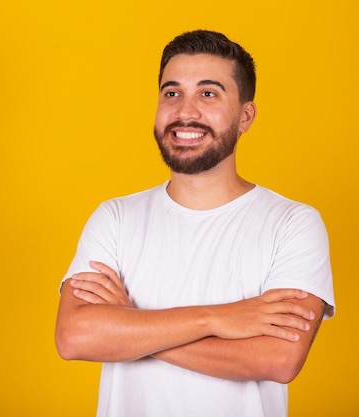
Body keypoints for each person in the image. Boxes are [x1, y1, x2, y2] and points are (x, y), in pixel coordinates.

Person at [54, 30, 335, 417]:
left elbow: (279, 359)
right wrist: (218, 318)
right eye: (172, 93)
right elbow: (75, 337)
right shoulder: (115, 217)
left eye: (208, 94)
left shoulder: (293, 223)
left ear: (245, 116)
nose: (185, 112)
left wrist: (130, 327)